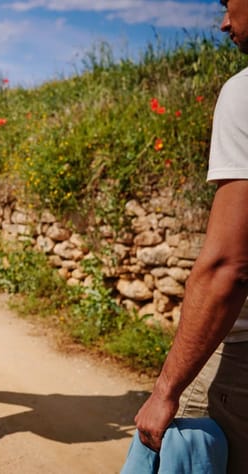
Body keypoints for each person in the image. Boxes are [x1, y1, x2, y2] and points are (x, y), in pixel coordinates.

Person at [133, 1, 248, 472]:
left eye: (228, 3)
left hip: (240, 360)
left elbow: (229, 266)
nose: (223, 22)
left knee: (186, 449)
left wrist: (166, 392)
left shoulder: (243, 94)